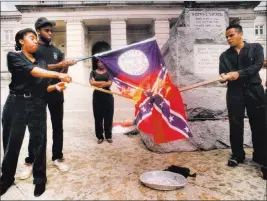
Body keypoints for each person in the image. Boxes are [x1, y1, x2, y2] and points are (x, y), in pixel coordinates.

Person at [0, 28, 72, 197]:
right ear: (20, 41)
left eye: (35, 38)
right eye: (31, 37)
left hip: (37, 103)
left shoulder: (41, 62)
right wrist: (58, 74)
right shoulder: (13, 56)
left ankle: (40, 179)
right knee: (12, 143)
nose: (35, 40)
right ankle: (6, 178)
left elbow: (42, 86)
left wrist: (55, 86)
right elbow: (31, 71)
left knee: (39, 143)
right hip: (16, 103)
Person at [20, 17, 76, 180]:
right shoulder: (33, 50)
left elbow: (62, 72)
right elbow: (35, 68)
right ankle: (30, 162)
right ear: (38, 31)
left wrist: (66, 64)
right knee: (37, 128)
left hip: (56, 92)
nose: (50, 33)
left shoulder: (57, 51)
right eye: (46, 30)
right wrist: (58, 66)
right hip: (38, 93)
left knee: (58, 126)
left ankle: (57, 158)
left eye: (51, 30)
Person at [219, 24, 267, 169]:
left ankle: (260, 155)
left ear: (240, 34)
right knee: (235, 124)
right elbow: (223, 72)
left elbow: (257, 66)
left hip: (255, 90)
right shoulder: (224, 55)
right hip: (235, 92)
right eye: (227, 36)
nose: (228, 39)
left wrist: (238, 74)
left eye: (231, 35)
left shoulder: (256, 48)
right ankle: (237, 155)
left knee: (259, 123)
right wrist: (223, 77)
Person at [89, 59, 114, 144]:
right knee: (98, 117)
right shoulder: (93, 72)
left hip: (108, 96)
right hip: (97, 96)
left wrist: (98, 83)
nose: (101, 63)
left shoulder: (109, 72)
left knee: (108, 116)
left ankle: (108, 136)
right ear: (97, 63)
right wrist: (104, 82)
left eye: (102, 62)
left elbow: (110, 83)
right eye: (99, 62)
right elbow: (91, 83)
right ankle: (100, 136)